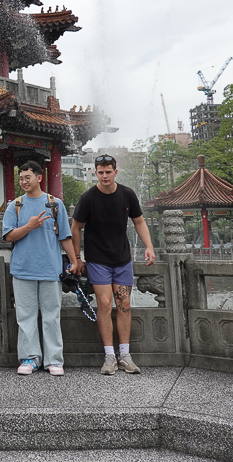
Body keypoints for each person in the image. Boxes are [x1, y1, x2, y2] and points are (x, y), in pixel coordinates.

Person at [71, 154, 156, 375]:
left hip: (122, 259)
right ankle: (109, 356)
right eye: (100, 172)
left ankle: (125, 355)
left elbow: (139, 221)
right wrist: (77, 258)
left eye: (108, 172)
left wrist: (149, 246)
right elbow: (76, 227)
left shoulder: (127, 194)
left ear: (115, 172)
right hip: (98, 259)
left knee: (124, 303)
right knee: (105, 303)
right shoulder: (88, 197)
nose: (104, 176)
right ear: (96, 173)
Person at [2, 161, 77, 376]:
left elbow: (65, 236)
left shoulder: (55, 204)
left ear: (39, 177)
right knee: (25, 316)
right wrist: (29, 226)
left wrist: (74, 261)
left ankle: (54, 359)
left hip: (50, 268)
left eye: (28, 177)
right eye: (21, 178)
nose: (24, 182)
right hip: (22, 268)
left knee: (52, 315)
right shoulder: (15, 205)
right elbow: (8, 236)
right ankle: (30, 358)